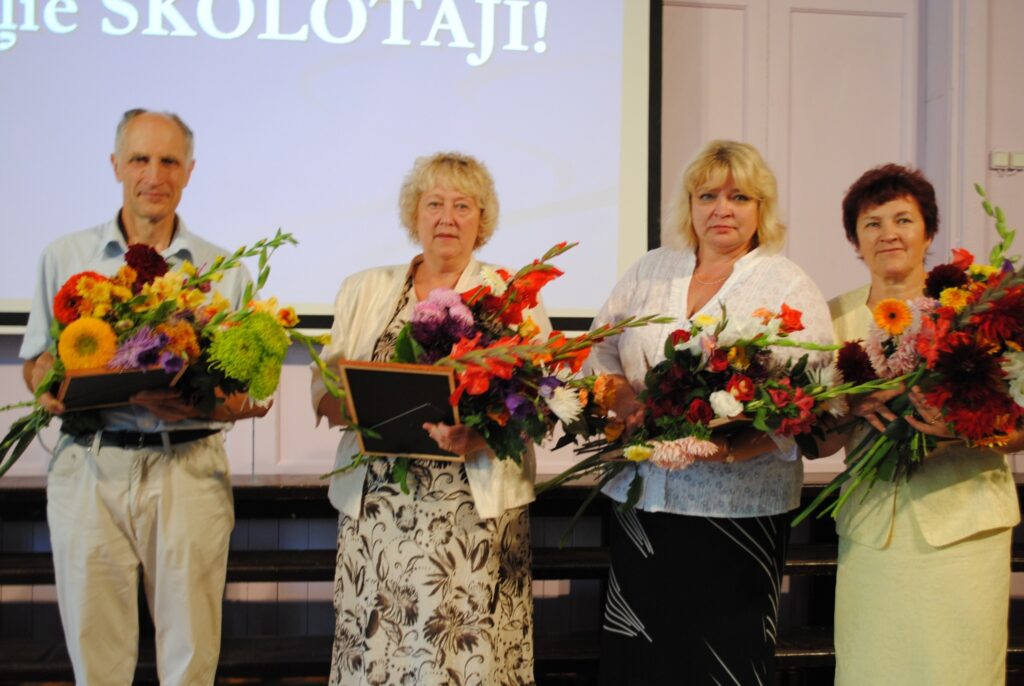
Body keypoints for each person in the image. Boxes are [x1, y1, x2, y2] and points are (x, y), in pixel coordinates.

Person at [20, 109, 267, 686]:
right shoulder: (65, 257)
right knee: (96, 655)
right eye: (139, 159)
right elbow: (36, 359)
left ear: (189, 172)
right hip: (90, 464)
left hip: (189, 467)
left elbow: (248, 392)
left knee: (190, 657)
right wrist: (49, 386)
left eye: (168, 161)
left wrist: (203, 402)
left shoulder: (222, 270)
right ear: (114, 166)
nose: (153, 174)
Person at [586, 140, 834, 684]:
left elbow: (812, 397)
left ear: (760, 209)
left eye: (739, 196)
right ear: (689, 206)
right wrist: (623, 398)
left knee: (722, 663)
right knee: (641, 661)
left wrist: (730, 446)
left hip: (736, 515)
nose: (722, 208)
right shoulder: (650, 270)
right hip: (644, 504)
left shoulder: (787, 284)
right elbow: (599, 349)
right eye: (708, 195)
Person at [311, 152, 543, 685]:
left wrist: (481, 433)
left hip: (474, 515)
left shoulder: (513, 295)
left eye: (462, 205)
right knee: (380, 652)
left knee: (465, 658)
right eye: (433, 203)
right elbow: (324, 392)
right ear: (413, 215)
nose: (447, 217)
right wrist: (360, 402)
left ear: (482, 221)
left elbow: (538, 404)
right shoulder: (363, 288)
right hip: (379, 515)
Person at [830, 163, 1023, 685]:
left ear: (928, 232)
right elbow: (815, 444)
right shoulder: (834, 320)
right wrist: (850, 406)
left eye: (903, 220)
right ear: (855, 241)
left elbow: (1019, 424)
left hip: (965, 527)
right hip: (874, 536)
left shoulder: (976, 307)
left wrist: (961, 428)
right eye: (871, 224)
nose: (888, 234)